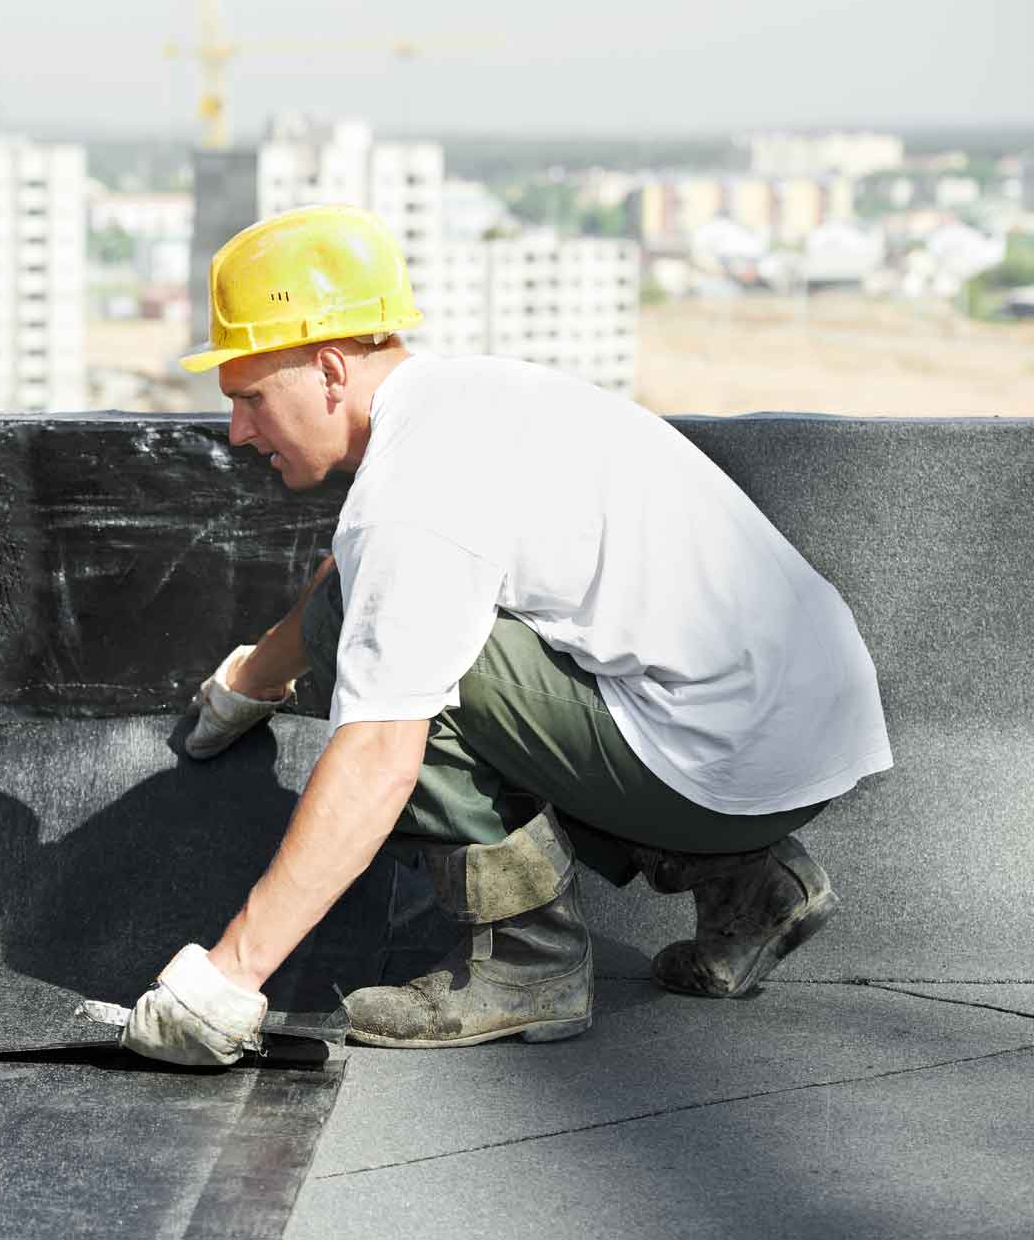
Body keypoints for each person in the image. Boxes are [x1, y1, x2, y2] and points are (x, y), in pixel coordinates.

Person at [118, 206, 892, 1066]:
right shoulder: (466, 397)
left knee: (399, 664)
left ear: (330, 369)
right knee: (388, 615)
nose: (237, 432)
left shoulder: (415, 491)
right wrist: (251, 682)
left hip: (725, 763)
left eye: (251, 398)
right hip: (795, 732)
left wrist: (228, 978)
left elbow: (379, 755)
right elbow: (363, 572)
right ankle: (749, 882)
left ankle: (527, 962)